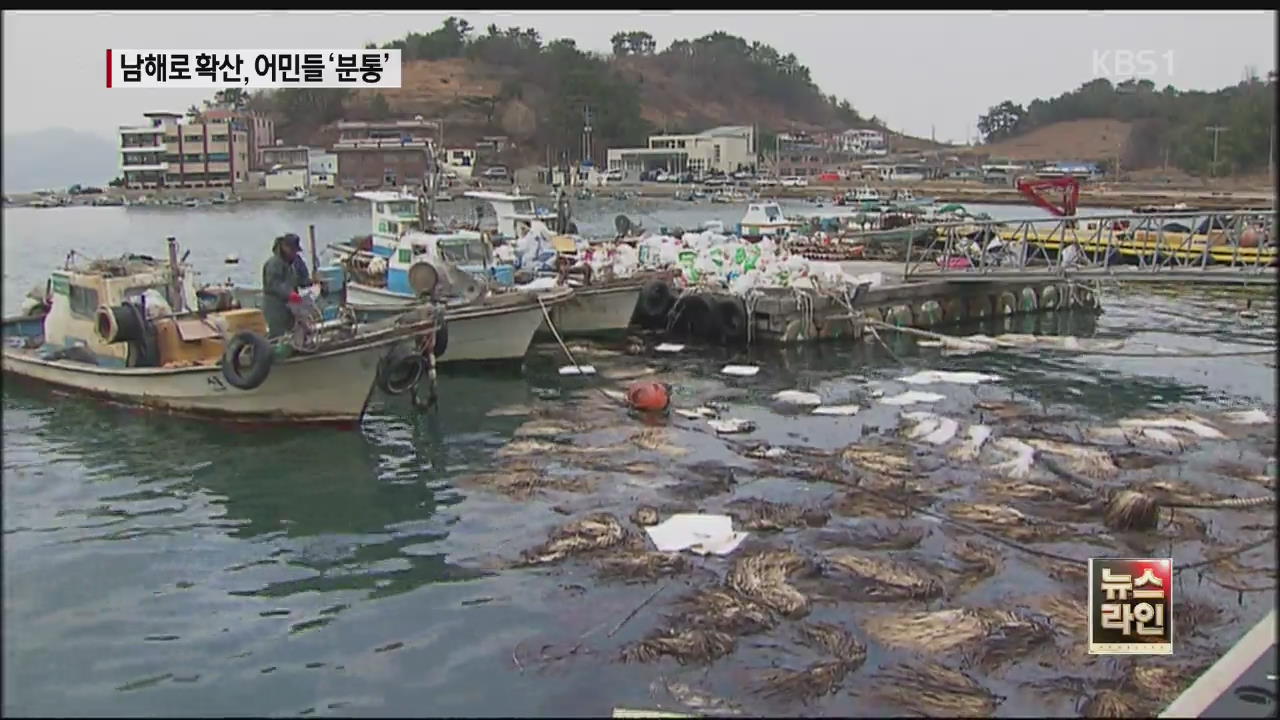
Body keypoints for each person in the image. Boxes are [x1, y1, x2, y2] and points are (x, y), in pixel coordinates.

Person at [262, 233, 307, 339]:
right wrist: (289, 293)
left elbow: (302, 279)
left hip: (291, 306)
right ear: (284, 247)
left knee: (294, 331)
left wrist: (313, 283)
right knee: (278, 335)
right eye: (292, 250)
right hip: (275, 306)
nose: (294, 253)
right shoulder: (273, 263)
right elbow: (273, 284)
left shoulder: (295, 262)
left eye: (295, 251)